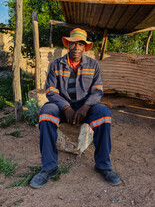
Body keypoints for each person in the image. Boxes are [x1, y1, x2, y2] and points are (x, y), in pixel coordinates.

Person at [30, 28, 121, 188]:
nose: (76, 47)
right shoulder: (56, 65)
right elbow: (51, 91)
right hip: (62, 108)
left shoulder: (93, 65)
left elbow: (98, 90)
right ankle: (49, 168)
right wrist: (66, 107)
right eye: (73, 43)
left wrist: (86, 106)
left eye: (80, 44)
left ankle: (103, 165)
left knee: (104, 113)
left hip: (85, 109)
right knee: (46, 112)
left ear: (85, 47)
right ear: (68, 45)